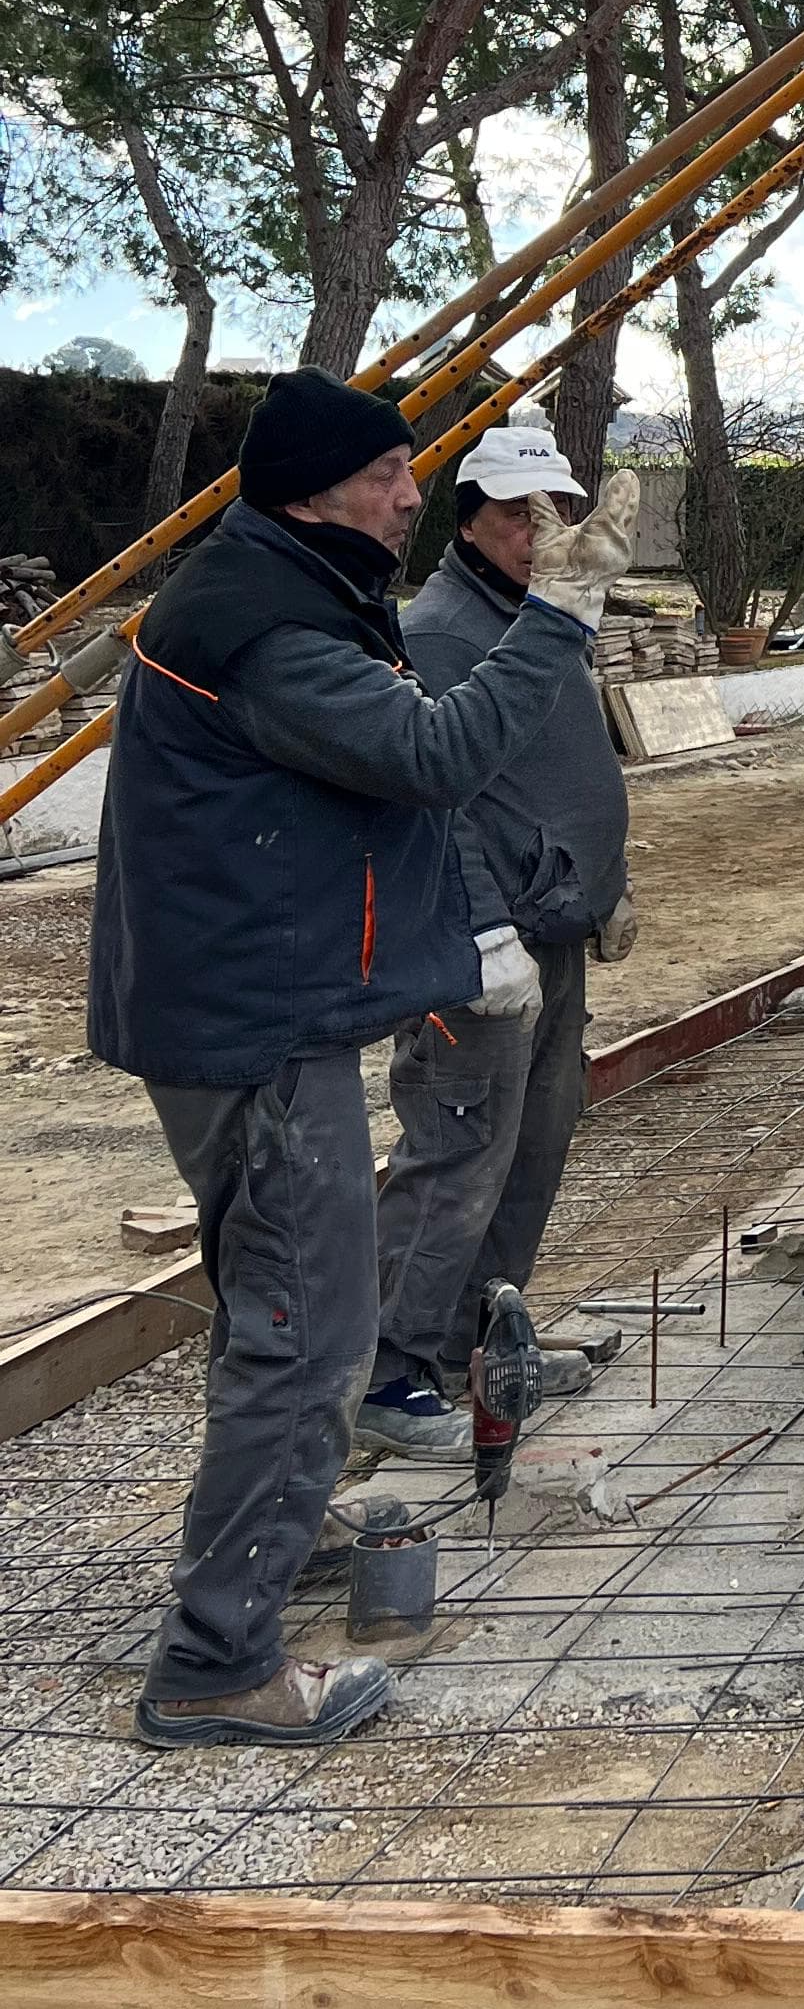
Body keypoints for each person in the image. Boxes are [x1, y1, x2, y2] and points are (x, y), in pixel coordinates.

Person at [88, 369, 632, 1751]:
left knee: (277, 1307)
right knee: (310, 1333)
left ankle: (274, 1531)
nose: (409, 495)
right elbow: (435, 756)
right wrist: (561, 616)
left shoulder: (282, 589)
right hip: (262, 1026)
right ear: (312, 491)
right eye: (388, 474)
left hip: (246, 1005)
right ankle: (216, 1665)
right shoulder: (268, 627)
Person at [359, 411, 640, 1459]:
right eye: (520, 515)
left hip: (551, 926)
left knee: (533, 1141)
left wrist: (605, 882)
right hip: (479, 949)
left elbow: (562, 767)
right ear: (470, 521)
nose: (542, 531)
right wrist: (482, 931)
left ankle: (483, 1346)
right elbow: (439, 803)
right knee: (459, 1145)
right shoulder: (442, 632)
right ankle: (389, 1371)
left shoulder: (541, 612)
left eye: (554, 508)